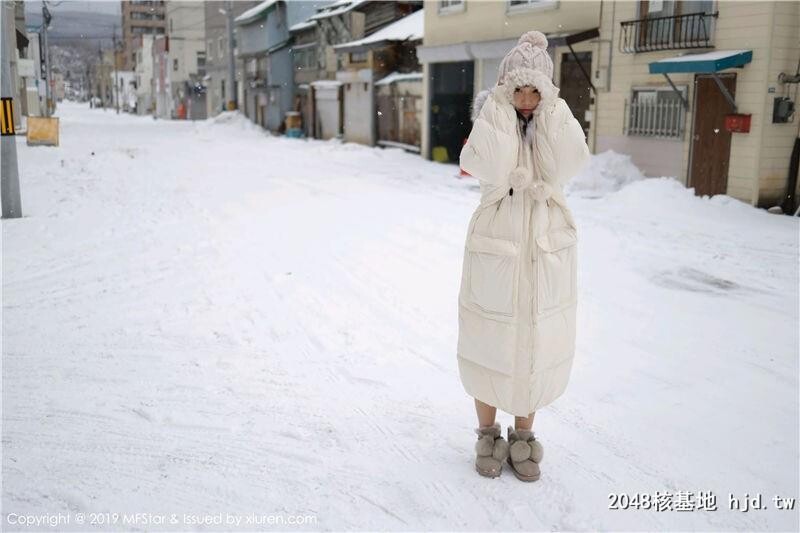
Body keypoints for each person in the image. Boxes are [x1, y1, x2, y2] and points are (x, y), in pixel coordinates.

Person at [457, 30, 590, 481]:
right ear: (505, 89)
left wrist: (553, 109)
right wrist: (498, 107)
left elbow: (572, 162)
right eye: (519, 89)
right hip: (498, 246)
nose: (527, 99)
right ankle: (486, 432)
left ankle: (524, 436)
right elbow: (488, 165)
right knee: (490, 342)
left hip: (546, 245)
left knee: (536, 340)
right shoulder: (491, 121)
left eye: (536, 90)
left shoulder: (552, 120)